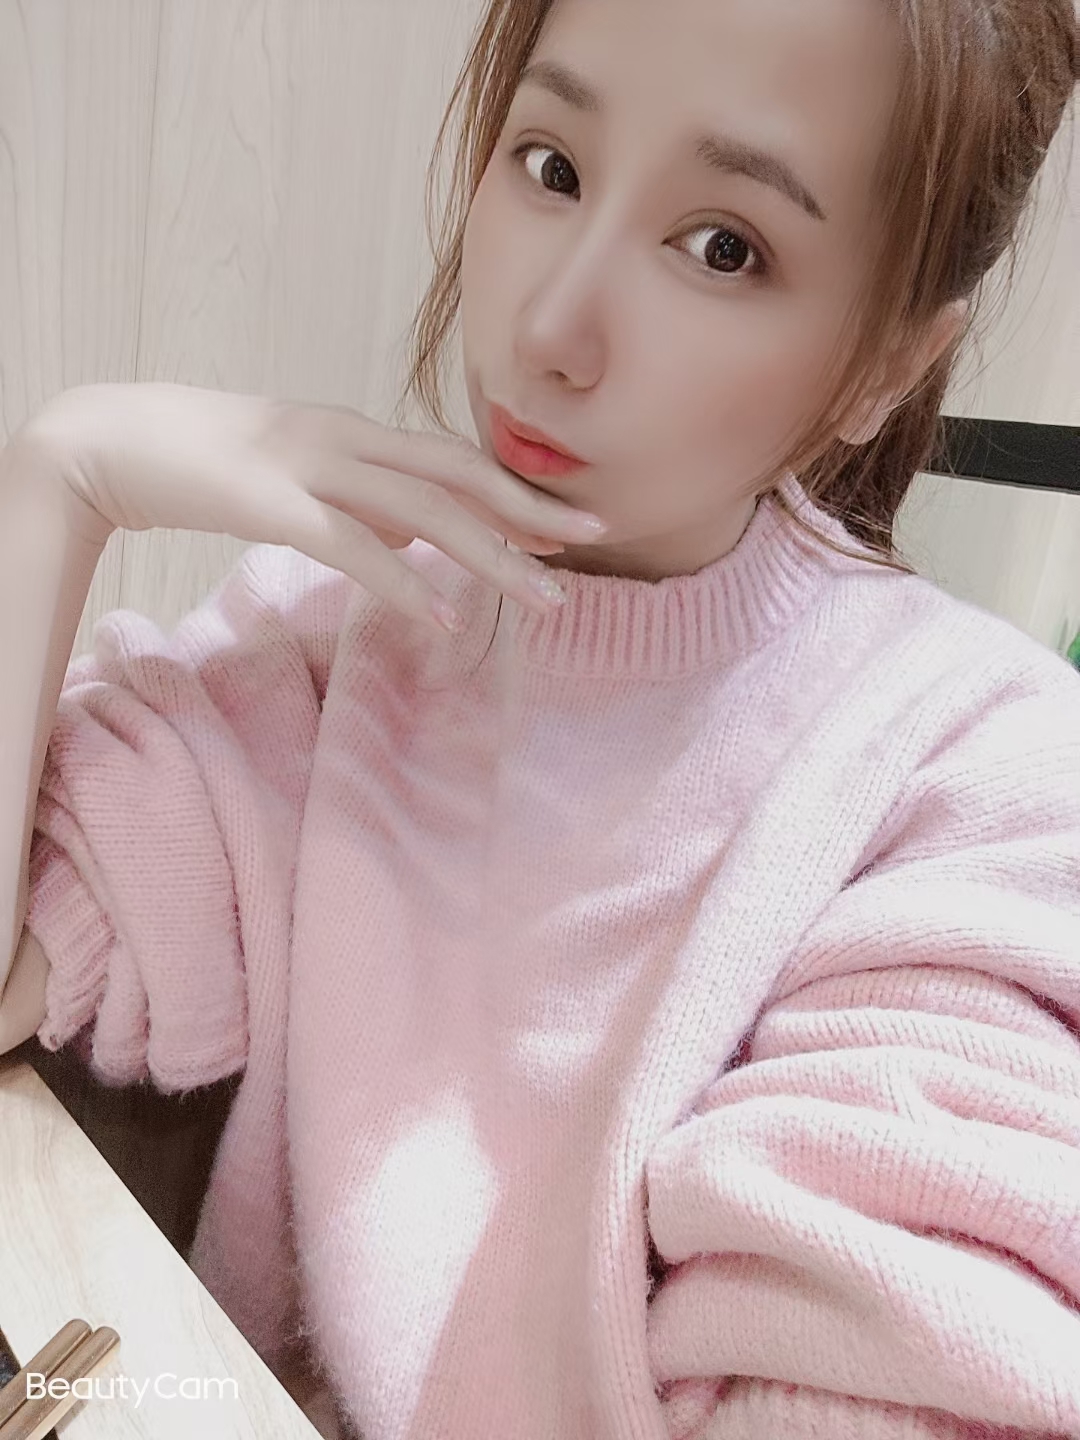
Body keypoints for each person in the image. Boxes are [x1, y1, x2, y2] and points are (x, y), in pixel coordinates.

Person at [1, 0, 1078, 1435]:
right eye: (553, 166)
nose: (549, 328)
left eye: (724, 247)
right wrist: (62, 478)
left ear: (888, 362)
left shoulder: (978, 785)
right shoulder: (340, 637)